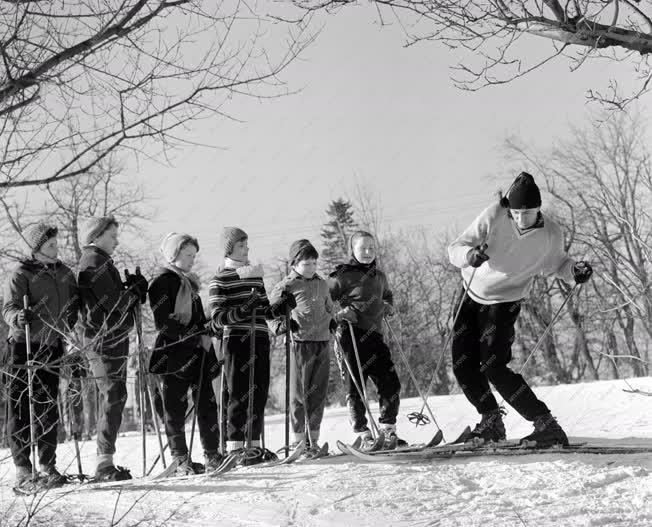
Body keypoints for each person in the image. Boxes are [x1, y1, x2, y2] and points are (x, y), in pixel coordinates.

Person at [447, 172, 593, 447]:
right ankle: (491, 422)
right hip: (470, 296)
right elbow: (456, 247)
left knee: (493, 366)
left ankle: (546, 425)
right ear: (508, 208)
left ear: (539, 209)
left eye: (527, 213)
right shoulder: (494, 216)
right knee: (463, 366)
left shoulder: (550, 233)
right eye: (515, 213)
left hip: (505, 303)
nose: (521, 219)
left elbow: (558, 264)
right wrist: (469, 256)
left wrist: (575, 271)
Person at [2, 224, 79, 491]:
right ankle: (23, 468)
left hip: (52, 345)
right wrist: (17, 317)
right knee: (22, 406)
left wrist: (70, 323)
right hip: (23, 346)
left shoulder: (66, 274)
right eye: (50, 246)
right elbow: (9, 307)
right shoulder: (21, 273)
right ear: (36, 249)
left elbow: (73, 304)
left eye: (57, 245)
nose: (56, 250)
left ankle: (48, 465)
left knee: (48, 405)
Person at [208, 227, 294, 464]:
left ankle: (253, 445)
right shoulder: (220, 278)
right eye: (242, 245)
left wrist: (280, 307)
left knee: (259, 392)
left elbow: (266, 310)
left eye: (247, 245)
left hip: (260, 337)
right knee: (238, 393)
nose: (247, 249)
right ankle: (235, 447)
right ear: (230, 249)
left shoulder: (255, 275)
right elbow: (217, 319)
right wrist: (244, 309)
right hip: (236, 339)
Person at [77, 215, 148, 481]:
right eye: (112, 236)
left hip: (110, 337)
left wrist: (131, 290)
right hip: (102, 339)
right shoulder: (93, 262)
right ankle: (103, 462)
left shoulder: (102, 262)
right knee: (113, 394)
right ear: (96, 236)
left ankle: (105, 460)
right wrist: (133, 293)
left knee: (116, 394)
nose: (117, 241)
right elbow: (113, 303)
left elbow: (114, 300)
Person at [148, 233, 222, 475]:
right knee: (174, 408)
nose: (192, 259)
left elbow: (198, 318)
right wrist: (193, 331)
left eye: (193, 255)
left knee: (207, 404)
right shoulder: (161, 282)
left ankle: (213, 454)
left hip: (198, 350)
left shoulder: (189, 283)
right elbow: (164, 321)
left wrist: (208, 327)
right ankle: (180, 459)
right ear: (174, 254)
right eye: (188, 255)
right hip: (173, 352)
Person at [329, 230, 403, 449]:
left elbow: (387, 295)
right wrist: (340, 313)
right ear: (352, 249)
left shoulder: (379, 276)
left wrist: (388, 306)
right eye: (363, 248)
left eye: (372, 248)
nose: (368, 252)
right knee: (356, 387)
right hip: (350, 334)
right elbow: (323, 301)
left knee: (390, 382)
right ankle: (363, 435)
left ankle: (388, 430)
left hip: (375, 336)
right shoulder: (341, 275)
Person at [268, 239, 334, 454]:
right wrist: (282, 325)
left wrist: (332, 320)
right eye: (306, 264)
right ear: (294, 263)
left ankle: (313, 439)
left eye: (314, 263)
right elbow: (270, 314)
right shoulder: (286, 286)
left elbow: (329, 307)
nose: (311, 268)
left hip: (322, 342)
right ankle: (298, 440)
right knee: (299, 394)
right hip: (299, 343)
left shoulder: (322, 283)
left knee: (318, 393)